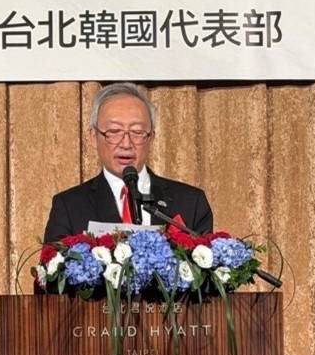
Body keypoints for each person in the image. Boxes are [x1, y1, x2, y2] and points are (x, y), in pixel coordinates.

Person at [43, 82, 213, 242]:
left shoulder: (191, 202)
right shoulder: (69, 206)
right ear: (93, 137)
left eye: (137, 132)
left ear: (151, 137)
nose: (126, 144)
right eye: (114, 131)